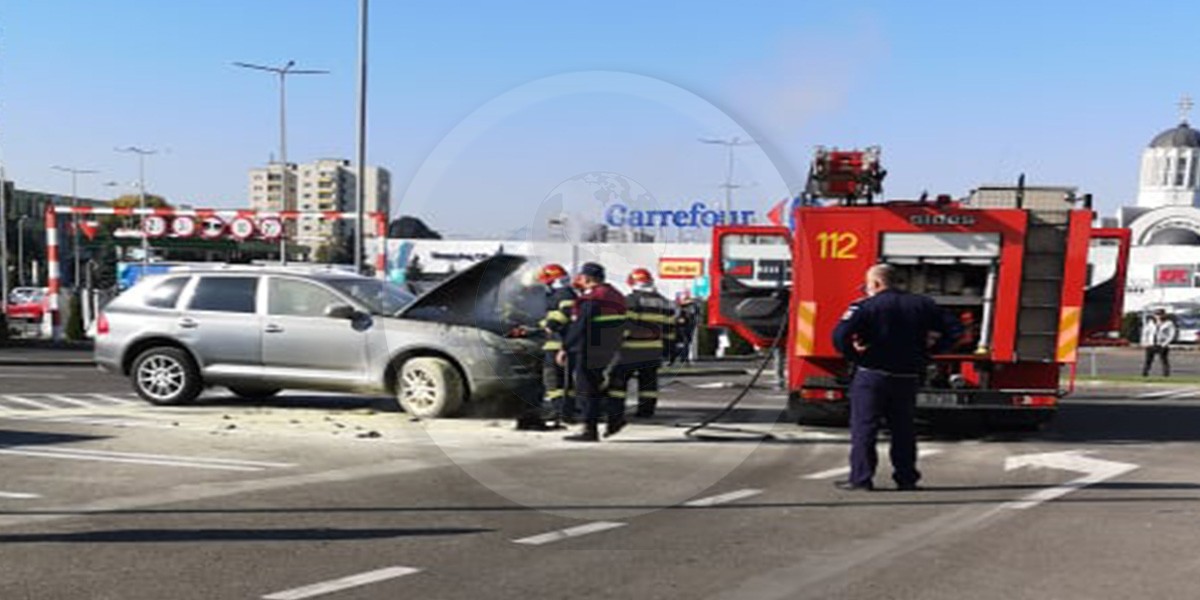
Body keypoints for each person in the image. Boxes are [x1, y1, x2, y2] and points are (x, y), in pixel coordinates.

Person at [832, 263, 962, 491]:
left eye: (866, 286)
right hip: (908, 376)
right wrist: (931, 352)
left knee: (865, 428)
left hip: (872, 375)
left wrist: (856, 357)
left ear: (876, 283)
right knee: (904, 429)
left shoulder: (865, 306)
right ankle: (906, 478)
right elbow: (956, 330)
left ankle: (861, 478)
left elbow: (839, 336)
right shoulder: (923, 304)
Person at [559, 262, 627, 442]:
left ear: (587, 278)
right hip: (610, 348)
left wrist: (565, 347)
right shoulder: (616, 295)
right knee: (600, 386)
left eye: (581, 276)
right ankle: (615, 417)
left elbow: (580, 325)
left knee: (586, 389)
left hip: (588, 349)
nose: (578, 279)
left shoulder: (592, 297)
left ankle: (589, 430)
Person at [611, 268, 675, 418]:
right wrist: (668, 348)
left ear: (632, 282)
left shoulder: (631, 301)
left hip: (631, 349)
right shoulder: (664, 302)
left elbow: (626, 325)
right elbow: (670, 329)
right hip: (654, 349)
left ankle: (615, 410)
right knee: (649, 382)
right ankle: (646, 411)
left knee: (619, 380)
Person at [536, 263, 577, 426]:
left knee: (552, 379)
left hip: (558, 345)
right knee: (564, 382)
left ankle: (559, 411)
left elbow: (565, 314)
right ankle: (566, 411)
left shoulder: (564, 294)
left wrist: (550, 325)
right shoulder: (563, 293)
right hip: (561, 344)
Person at [1142, 308, 1176, 377]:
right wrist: (1145, 342)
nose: (1158, 316)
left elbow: (1171, 334)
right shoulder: (1150, 323)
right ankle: (1145, 373)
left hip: (1161, 344)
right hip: (1151, 344)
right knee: (1148, 360)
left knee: (1164, 360)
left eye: (1160, 314)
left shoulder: (1168, 323)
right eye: (1157, 314)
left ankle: (1166, 374)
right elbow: (1145, 332)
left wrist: (1165, 343)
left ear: (1164, 315)